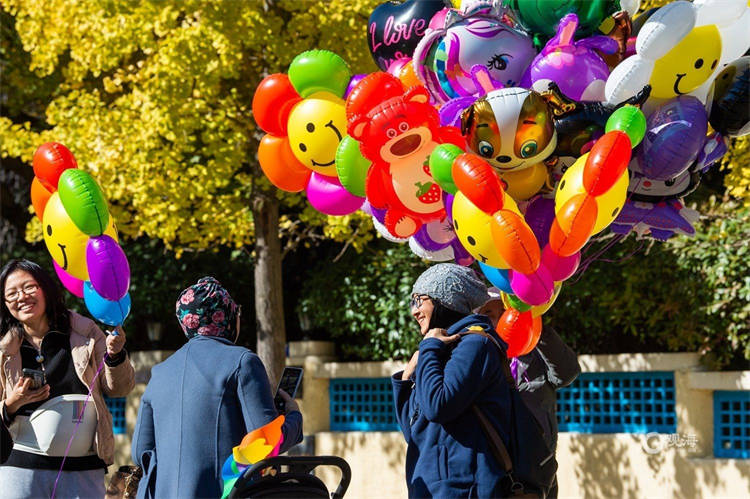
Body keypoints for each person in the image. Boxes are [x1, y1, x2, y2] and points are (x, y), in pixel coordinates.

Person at [132, 276, 303, 498]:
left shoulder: (160, 372)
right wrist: (294, 419)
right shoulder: (243, 362)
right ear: (227, 317)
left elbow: (139, 453)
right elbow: (265, 444)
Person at [0, 259, 135, 498]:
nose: (21, 297)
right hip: (20, 468)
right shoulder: (4, 350)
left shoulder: (85, 333)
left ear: (46, 288)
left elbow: (119, 388)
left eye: (29, 287)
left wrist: (115, 356)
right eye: (11, 293)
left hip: (84, 468)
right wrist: (12, 404)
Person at [392, 263, 520, 498]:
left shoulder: (475, 345)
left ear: (445, 299)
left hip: (466, 488)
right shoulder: (441, 348)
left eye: (419, 300)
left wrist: (429, 348)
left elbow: (438, 407)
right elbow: (413, 431)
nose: (414, 311)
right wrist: (405, 380)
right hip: (432, 488)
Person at [477, 288, 581, 498]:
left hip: (540, 467)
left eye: (504, 312)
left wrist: (536, 328)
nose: (498, 321)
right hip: (496, 470)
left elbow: (566, 374)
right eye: (489, 315)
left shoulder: (535, 352)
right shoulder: (476, 356)